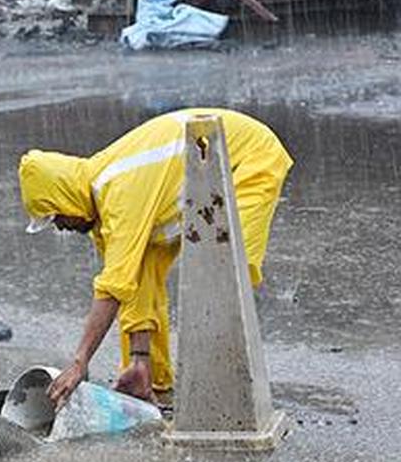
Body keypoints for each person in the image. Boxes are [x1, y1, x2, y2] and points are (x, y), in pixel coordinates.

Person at [18, 108, 292, 407]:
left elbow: (112, 288)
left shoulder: (119, 192)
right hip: (204, 165)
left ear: (66, 198)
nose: (59, 226)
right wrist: (140, 356)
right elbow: (134, 284)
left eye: (56, 216)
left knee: (225, 274)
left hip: (248, 158)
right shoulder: (103, 204)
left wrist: (79, 362)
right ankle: (149, 378)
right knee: (146, 270)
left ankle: (226, 396)